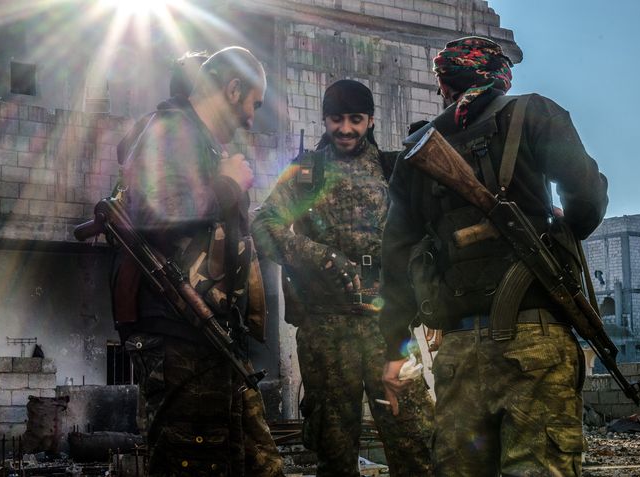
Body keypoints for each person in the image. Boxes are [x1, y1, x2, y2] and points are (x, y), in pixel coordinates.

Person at [380, 36, 609, 477]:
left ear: (444, 84)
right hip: (535, 342)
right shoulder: (534, 113)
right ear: (501, 78)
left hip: (458, 349)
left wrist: (393, 347)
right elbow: (588, 200)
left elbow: (396, 255)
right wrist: (559, 226)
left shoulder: (416, 152)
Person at [112, 46, 283, 476]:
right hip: (179, 340)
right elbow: (153, 213)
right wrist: (226, 185)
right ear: (231, 89)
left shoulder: (202, 145)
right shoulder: (170, 132)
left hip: (215, 340)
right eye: (253, 104)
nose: (251, 118)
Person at [252, 79, 434, 477]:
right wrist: (321, 257)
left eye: (356, 119)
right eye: (337, 119)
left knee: (414, 443)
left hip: (388, 327)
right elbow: (263, 225)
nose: (346, 129)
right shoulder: (304, 172)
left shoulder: (391, 167)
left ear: (370, 120)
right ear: (324, 120)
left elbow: (423, 232)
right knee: (334, 453)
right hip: (326, 328)